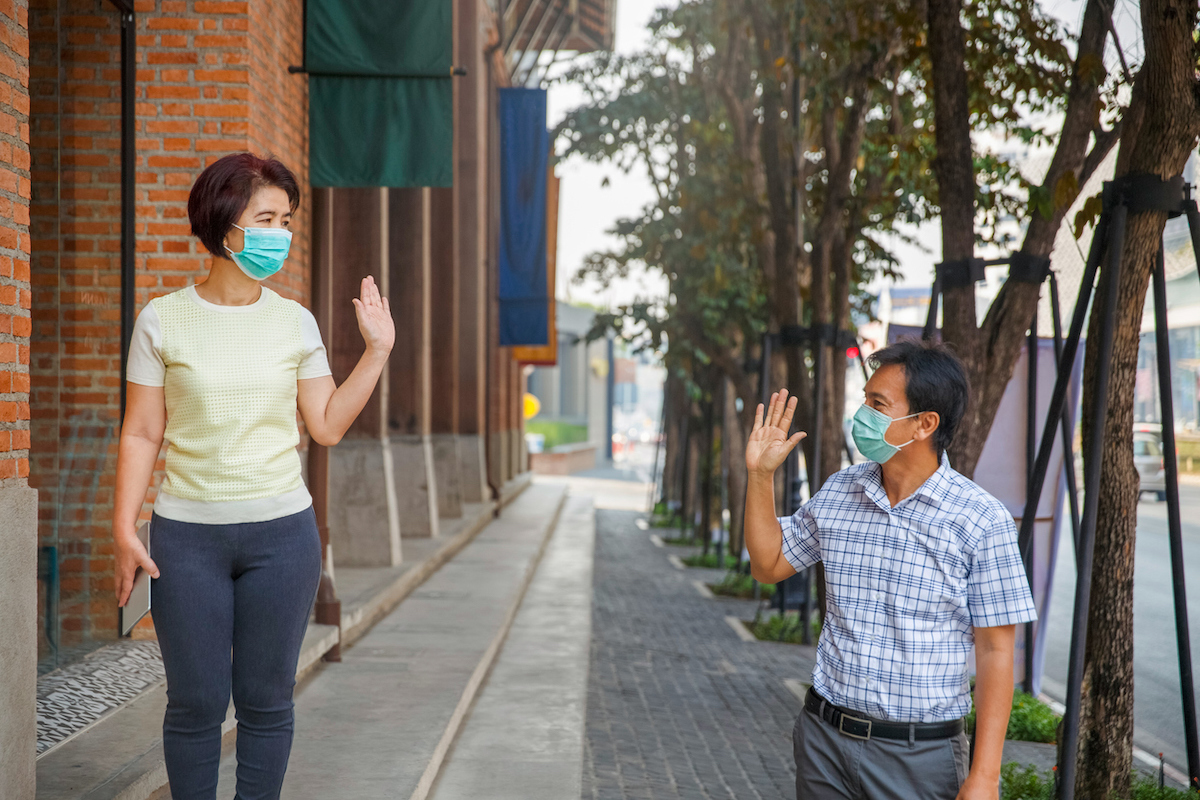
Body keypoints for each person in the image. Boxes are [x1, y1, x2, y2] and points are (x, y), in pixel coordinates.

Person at [112, 152, 394, 799]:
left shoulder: (294, 322)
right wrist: (123, 524)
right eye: (266, 218)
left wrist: (376, 352)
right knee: (196, 703)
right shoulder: (162, 319)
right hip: (187, 539)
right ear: (223, 225)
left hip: (281, 537)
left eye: (286, 220)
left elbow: (324, 423)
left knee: (267, 702)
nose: (280, 235)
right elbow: (142, 431)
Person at [744, 338, 1036, 800]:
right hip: (824, 741)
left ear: (924, 424)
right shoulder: (841, 490)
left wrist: (985, 775)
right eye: (865, 400)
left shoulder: (981, 520)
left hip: (919, 758)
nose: (862, 414)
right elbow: (768, 564)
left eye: (877, 405)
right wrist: (760, 477)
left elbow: (997, 652)